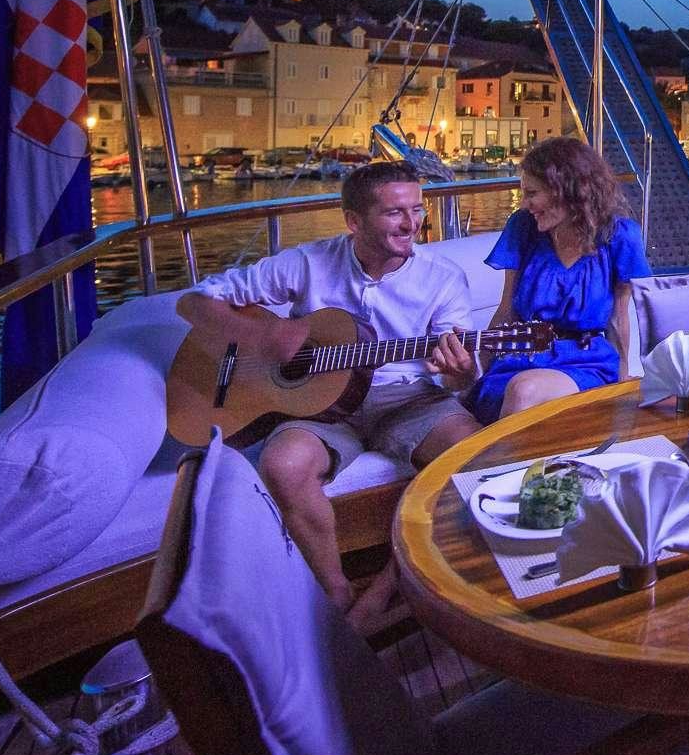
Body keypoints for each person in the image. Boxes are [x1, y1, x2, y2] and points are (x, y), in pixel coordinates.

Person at [175, 161, 480, 630]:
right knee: (283, 464)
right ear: (354, 221)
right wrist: (262, 339)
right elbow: (194, 300)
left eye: (417, 209)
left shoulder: (442, 278)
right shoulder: (308, 262)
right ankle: (336, 592)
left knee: (476, 459)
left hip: (407, 398)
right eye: (395, 212)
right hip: (322, 409)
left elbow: (456, 376)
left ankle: (383, 592)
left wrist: (459, 375)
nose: (412, 223)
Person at [446, 136, 651, 422]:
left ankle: (500, 467)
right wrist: (478, 371)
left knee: (524, 390)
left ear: (566, 191)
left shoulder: (619, 236)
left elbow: (618, 318)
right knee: (512, 389)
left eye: (532, 194)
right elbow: (507, 312)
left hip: (586, 362)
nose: (525, 203)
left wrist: (623, 378)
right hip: (520, 357)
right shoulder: (523, 228)